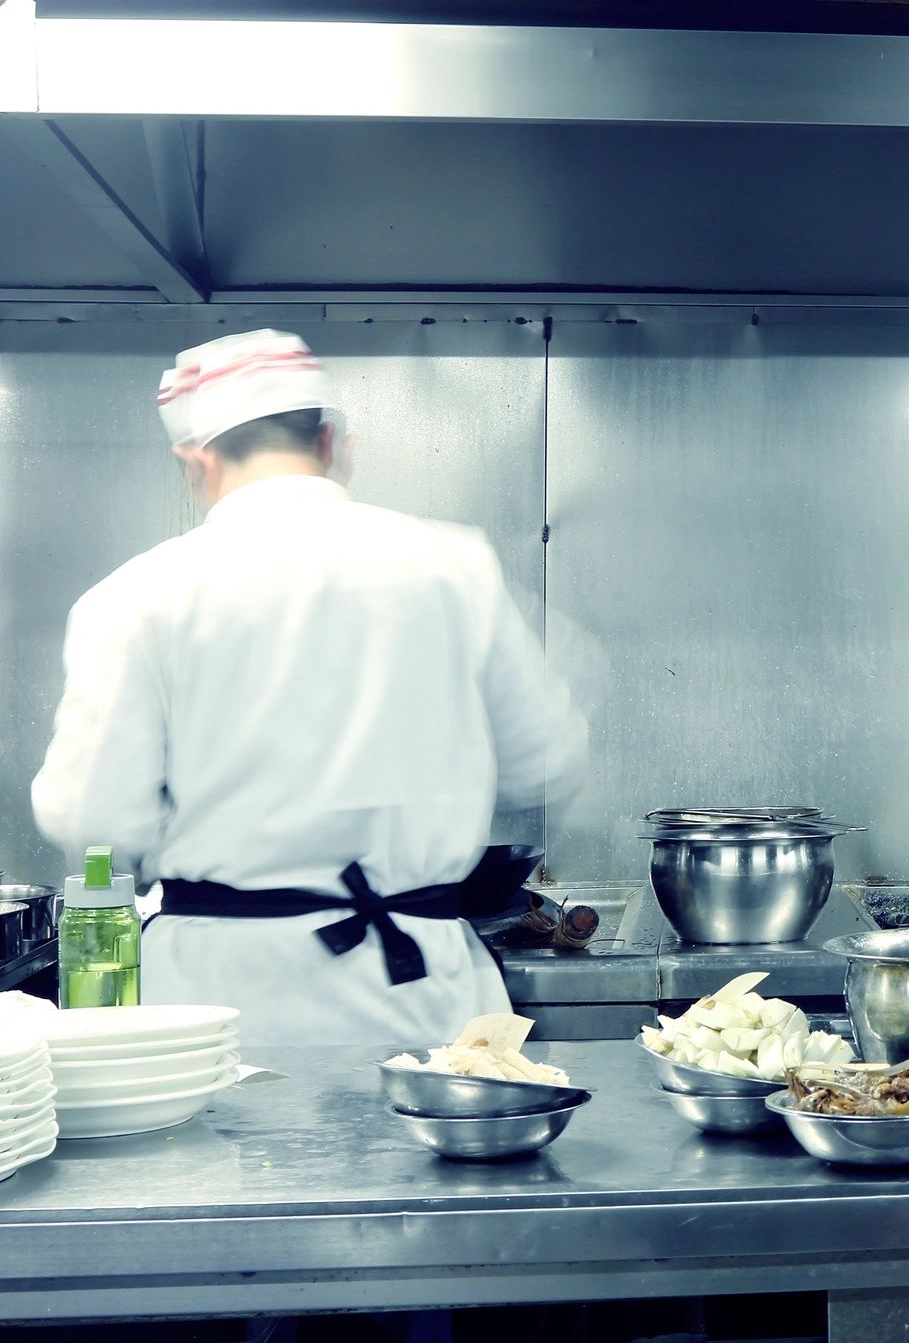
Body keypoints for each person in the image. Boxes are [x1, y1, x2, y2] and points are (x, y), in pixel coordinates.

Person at [31, 330, 588, 1045]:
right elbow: (548, 757)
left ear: (195, 461)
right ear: (329, 442)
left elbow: (94, 819)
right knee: (429, 1118)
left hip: (217, 1004)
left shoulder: (134, 597)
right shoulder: (454, 566)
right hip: (418, 993)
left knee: (215, 1125)